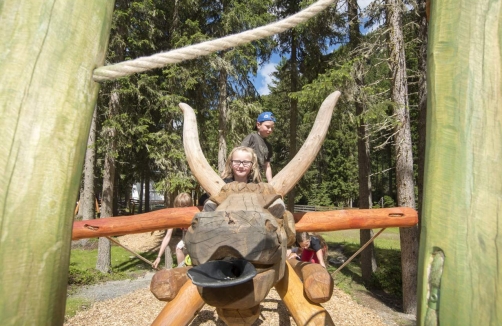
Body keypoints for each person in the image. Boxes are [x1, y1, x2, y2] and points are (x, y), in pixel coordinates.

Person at [152, 193, 193, 269]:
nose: (183, 210)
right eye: (180, 207)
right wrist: (159, 256)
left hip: (197, 238)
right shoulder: (175, 217)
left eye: (186, 206)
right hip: (186, 237)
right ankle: (181, 269)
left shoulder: (194, 215)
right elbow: (167, 237)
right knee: (178, 248)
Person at [241, 111, 275, 182]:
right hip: (245, 177)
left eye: (272, 128)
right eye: (267, 127)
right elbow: (240, 153)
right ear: (258, 125)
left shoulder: (268, 146)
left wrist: (270, 182)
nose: (270, 130)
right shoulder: (252, 137)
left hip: (257, 179)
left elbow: (267, 166)